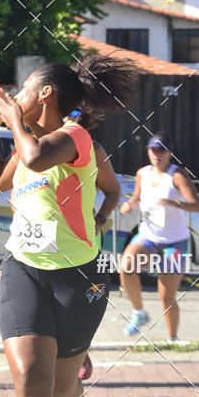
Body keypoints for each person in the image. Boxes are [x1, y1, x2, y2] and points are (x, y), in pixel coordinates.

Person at [0, 56, 134, 397]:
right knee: (31, 378)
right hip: (23, 270)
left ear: (45, 94)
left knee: (64, 387)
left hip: (77, 280)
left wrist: (11, 122)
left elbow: (37, 161)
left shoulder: (75, 139)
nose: (18, 95)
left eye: (25, 89)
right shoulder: (29, 145)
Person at [118, 132, 199, 341]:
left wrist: (176, 203)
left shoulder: (177, 176)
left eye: (162, 150)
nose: (157, 155)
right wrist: (130, 204)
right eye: (153, 150)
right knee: (126, 267)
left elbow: (196, 205)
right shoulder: (142, 173)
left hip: (174, 242)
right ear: (148, 151)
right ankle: (139, 313)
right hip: (148, 236)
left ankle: (173, 338)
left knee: (166, 295)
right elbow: (137, 197)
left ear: (170, 153)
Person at [79, 138, 122, 383]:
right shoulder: (31, 146)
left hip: (86, 244)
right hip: (43, 252)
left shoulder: (91, 148)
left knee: (85, 301)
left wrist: (100, 219)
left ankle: (81, 349)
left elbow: (114, 190)